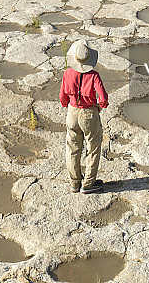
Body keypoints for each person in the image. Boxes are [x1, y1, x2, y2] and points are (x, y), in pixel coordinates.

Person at [59, 39, 108, 193]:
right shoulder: (94, 76)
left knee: (73, 148)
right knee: (92, 148)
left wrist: (69, 105)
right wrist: (100, 107)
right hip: (89, 114)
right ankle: (88, 184)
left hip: (72, 112)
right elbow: (104, 99)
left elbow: (62, 97)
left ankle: (74, 183)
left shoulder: (67, 73)